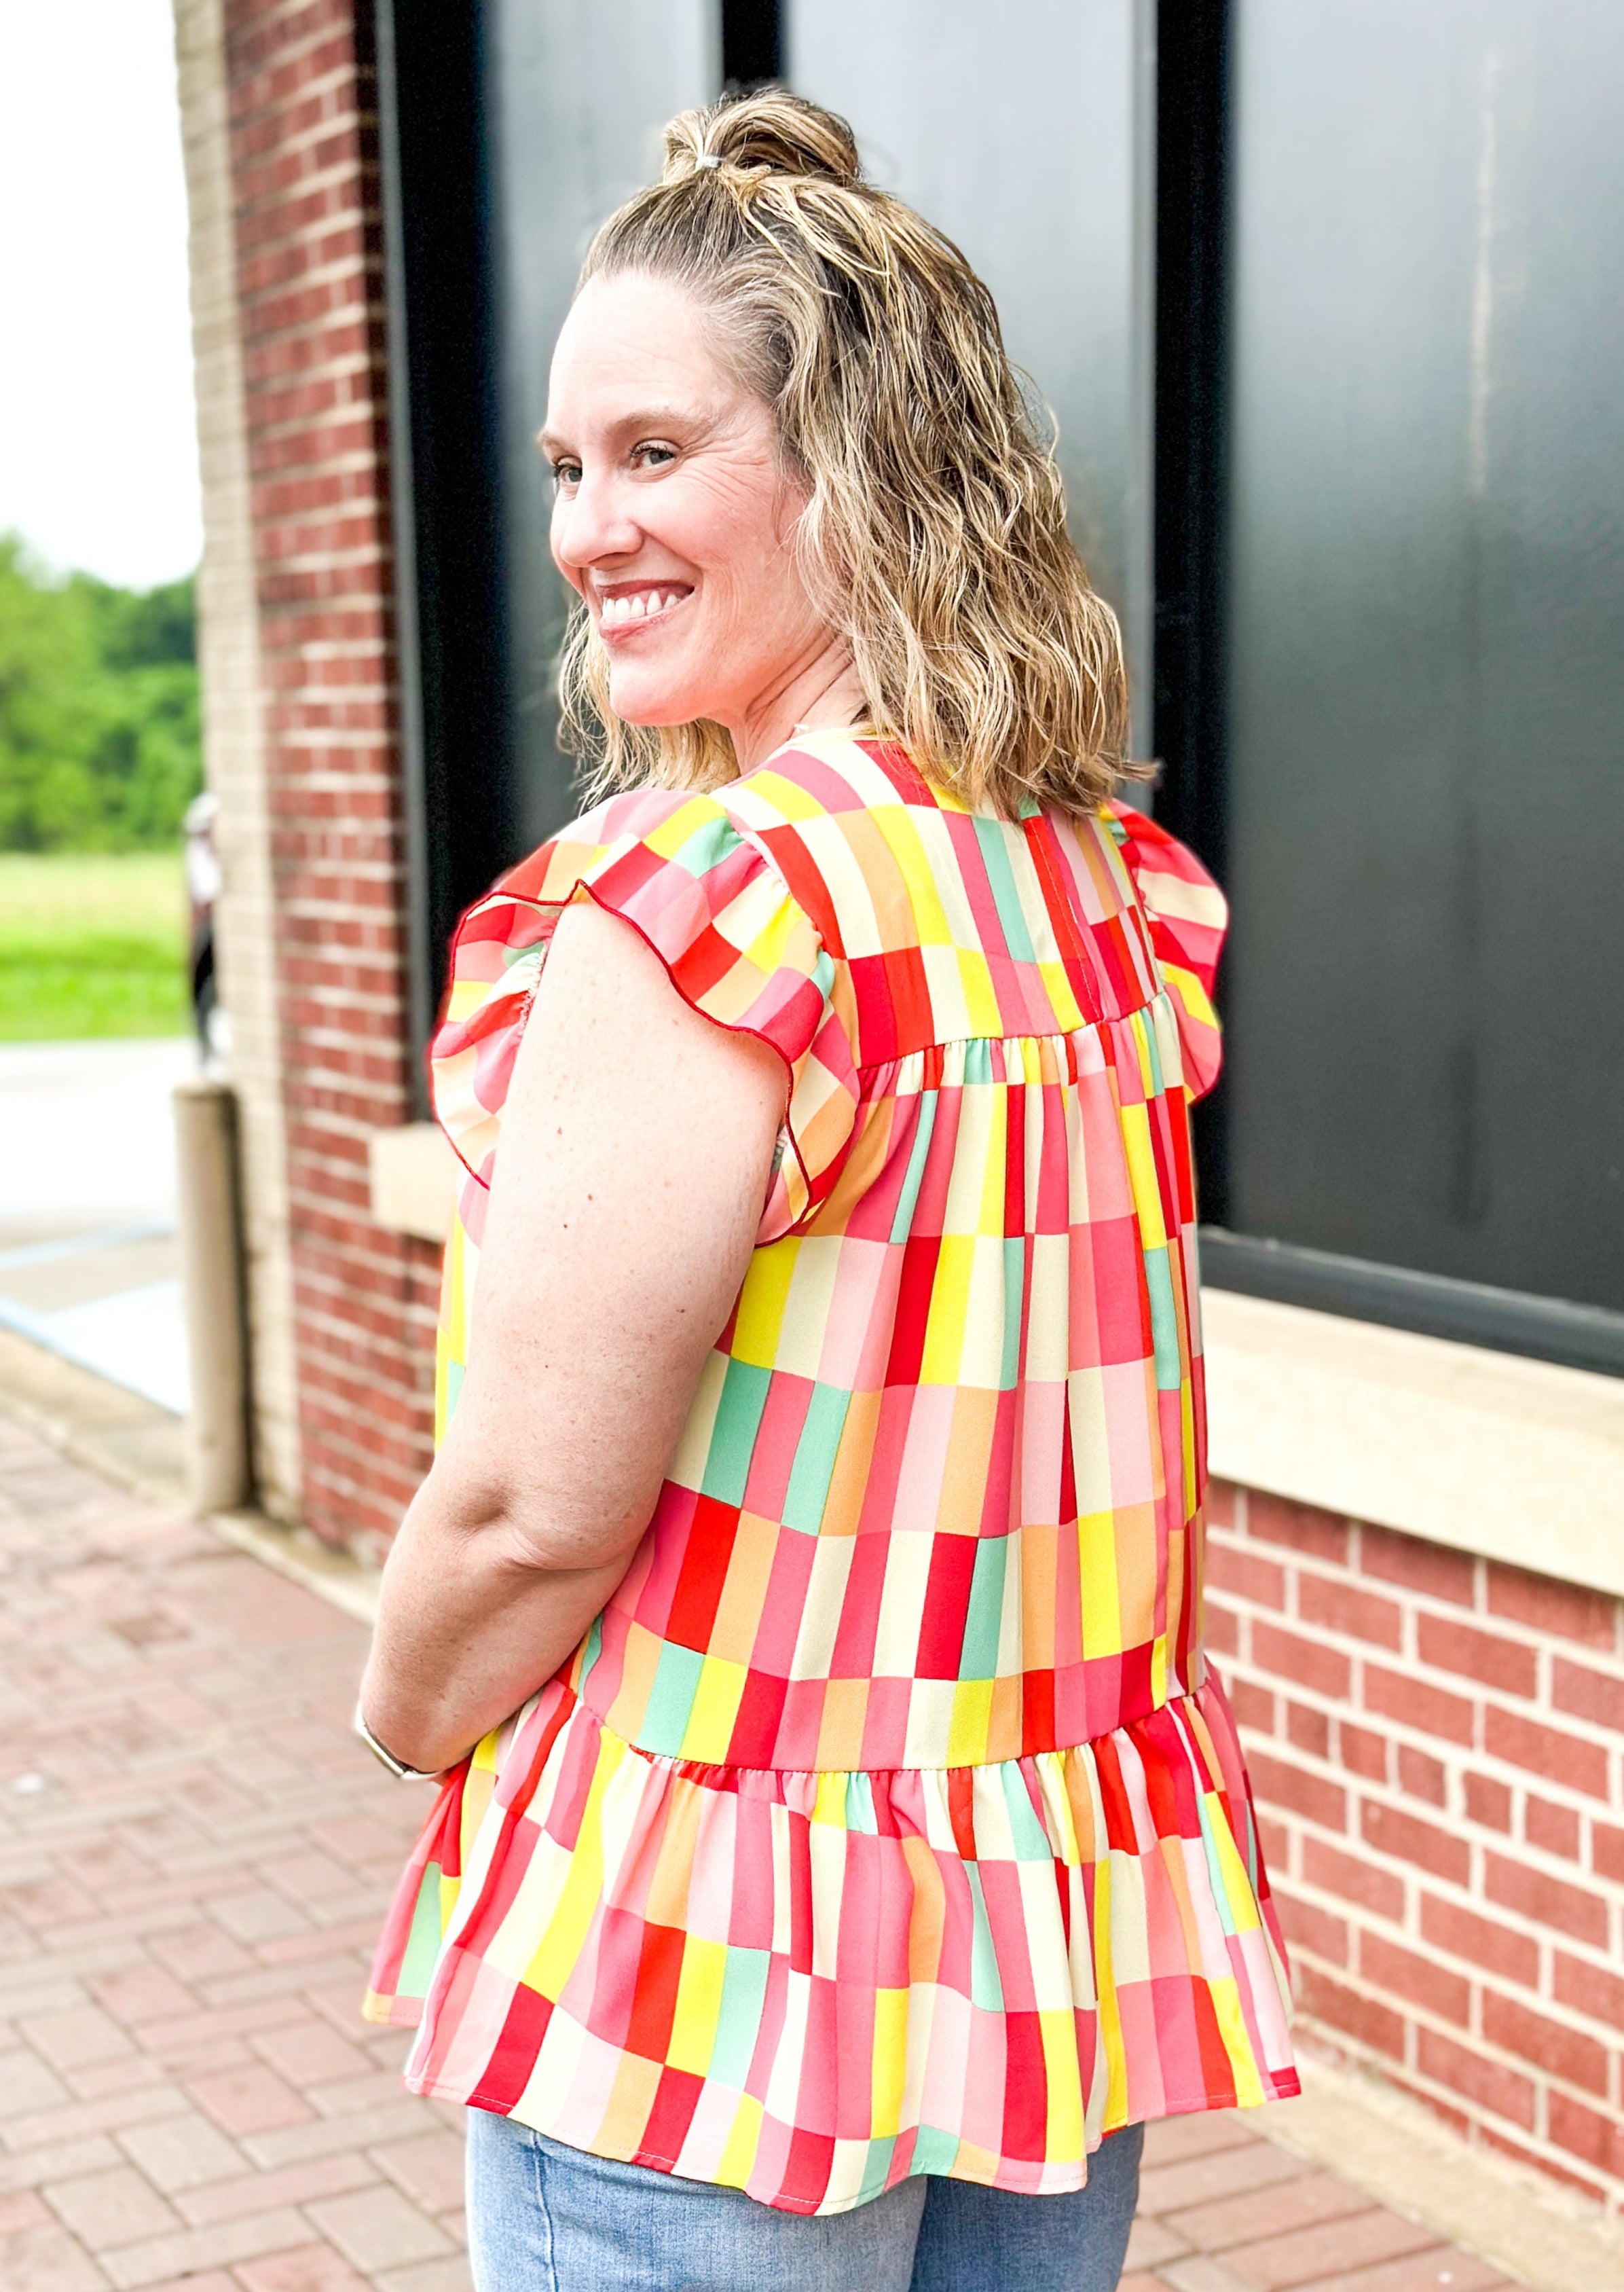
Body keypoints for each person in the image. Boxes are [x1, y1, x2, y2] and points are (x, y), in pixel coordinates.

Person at [357, 89, 1298, 2292]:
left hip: (708, 1974)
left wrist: (403, 1720)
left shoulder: (716, 907)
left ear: (858, 472)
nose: (591, 529)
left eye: (660, 452)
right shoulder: (1089, 892)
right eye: (569, 470)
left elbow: (525, 1512)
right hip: (1025, 1933)